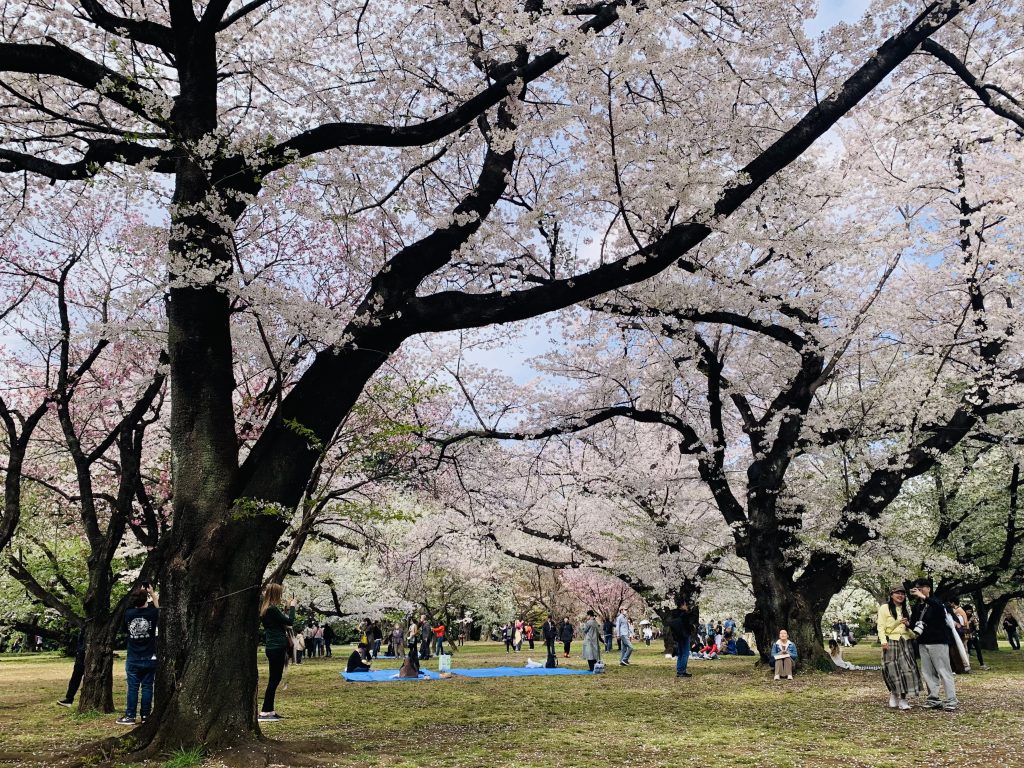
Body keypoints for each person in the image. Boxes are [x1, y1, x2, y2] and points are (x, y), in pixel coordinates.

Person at [909, 577, 958, 711]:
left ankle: (951, 699)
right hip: (923, 642)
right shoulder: (917, 607)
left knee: (944, 671)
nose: (918, 590)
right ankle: (933, 698)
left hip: (938, 641)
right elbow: (914, 623)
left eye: (921, 587)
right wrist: (909, 624)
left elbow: (940, 611)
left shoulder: (937, 602)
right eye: (916, 588)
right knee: (928, 672)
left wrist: (924, 597)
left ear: (928, 588)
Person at [116, 585, 160, 725]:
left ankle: (130, 715)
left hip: (133, 657)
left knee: (133, 687)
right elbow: (158, 608)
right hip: (150, 657)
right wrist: (151, 594)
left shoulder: (128, 614)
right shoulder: (152, 613)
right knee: (147, 687)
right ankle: (146, 716)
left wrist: (138, 594)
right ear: (146, 600)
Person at [877, 584, 920, 711]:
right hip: (891, 641)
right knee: (891, 670)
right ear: (891, 595)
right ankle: (894, 693)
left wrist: (909, 627)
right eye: (897, 593)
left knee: (907, 669)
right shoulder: (885, 608)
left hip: (905, 641)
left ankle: (903, 698)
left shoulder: (906, 609)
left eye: (902, 593)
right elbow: (881, 626)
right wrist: (883, 641)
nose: (900, 596)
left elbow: (909, 629)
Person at [258, 583, 295, 723]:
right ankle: (265, 711)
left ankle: (269, 710)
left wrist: (286, 608)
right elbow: (290, 621)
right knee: (274, 679)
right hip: (277, 647)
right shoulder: (272, 609)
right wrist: (292, 606)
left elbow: (281, 622)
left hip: (273, 647)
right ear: (275, 594)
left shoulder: (266, 609)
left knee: (275, 678)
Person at [57, 624, 88, 708]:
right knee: (75, 677)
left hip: (84, 653)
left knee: (76, 676)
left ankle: (69, 698)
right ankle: (69, 698)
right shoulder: (85, 624)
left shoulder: (89, 625)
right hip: (82, 652)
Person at [666, 599, 693, 678]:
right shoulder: (684, 614)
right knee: (685, 653)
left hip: (677, 635)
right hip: (684, 635)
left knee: (680, 653)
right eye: (685, 604)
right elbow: (688, 624)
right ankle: (682, 671)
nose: (686, 606)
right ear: (682, 605)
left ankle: (679, 670)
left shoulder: (674, 613)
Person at [961, 604, 988, 671]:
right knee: (967, 650)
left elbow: (975, 626)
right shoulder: (963, 617)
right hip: (967, 636)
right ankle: (966, 665)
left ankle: (982, 664)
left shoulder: (972, 617)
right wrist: (969, 621)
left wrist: (975, 622)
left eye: (971, 611)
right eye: (968, 611)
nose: (969, 612)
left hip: (973, 635)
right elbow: (963, 625)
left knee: (978, 649)